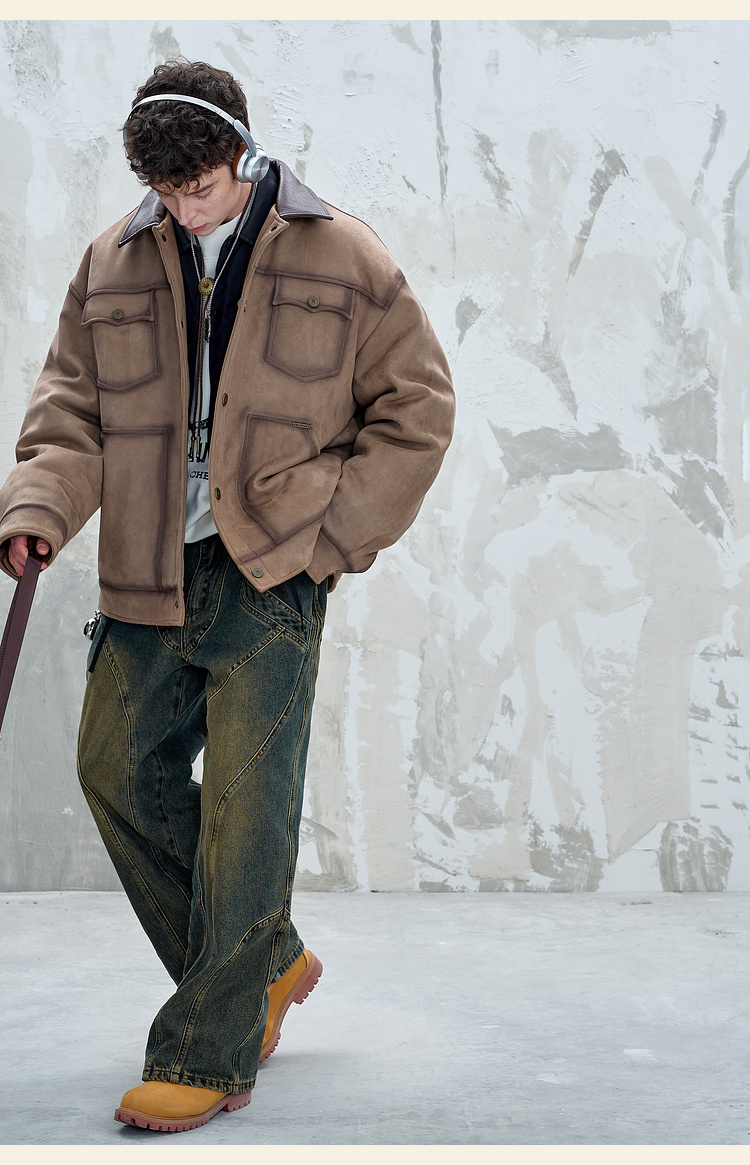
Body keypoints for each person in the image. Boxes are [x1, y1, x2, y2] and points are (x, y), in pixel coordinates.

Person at [0, 59, 454, 1133]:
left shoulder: (342, 253)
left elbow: (417, 409)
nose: (184, 207)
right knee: (115, 767)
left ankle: (209, 1051)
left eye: (199, 185)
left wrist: (328, 539)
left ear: (241, 153)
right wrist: (40, 506)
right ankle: (267, 960)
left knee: (248, 812)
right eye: (164, 191)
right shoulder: (112, 262)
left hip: (273, 571)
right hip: (149, 563)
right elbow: (71, 411)